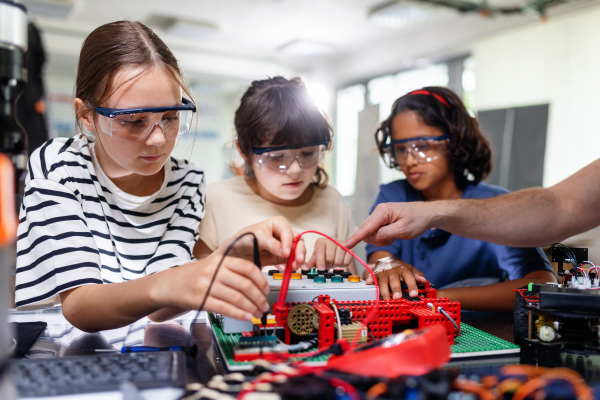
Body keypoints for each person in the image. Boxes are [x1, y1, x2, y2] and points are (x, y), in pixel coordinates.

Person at [15, 21, 304, 333]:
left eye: (169, 117)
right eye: (134, 120)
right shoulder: (57, 166)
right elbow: (80, 306)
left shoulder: (187, 181)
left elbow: (162, 307)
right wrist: (180, 278)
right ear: (86, 116)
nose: (157, 139)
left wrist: (227, 254)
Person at [360, 87, 555, 312]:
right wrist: (386, 264)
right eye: (400, 149)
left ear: (455, 142)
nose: (410, 160)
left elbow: (543, 285)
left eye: (422, 146)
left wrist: (437, 298)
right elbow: (377, 259)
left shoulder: (496, 205)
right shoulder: (393, 197)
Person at [194, 77, 358, 275]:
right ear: (245, 152)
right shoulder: (216, 198)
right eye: (276, 157)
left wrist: (342, 263)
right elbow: (195, 284)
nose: (295, 170)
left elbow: (354, 286)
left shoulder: (333, 200)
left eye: (308, 154)